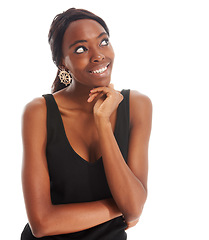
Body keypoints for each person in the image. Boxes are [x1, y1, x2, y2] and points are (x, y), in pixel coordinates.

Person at [20, 8, 152, 240]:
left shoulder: (137, 106)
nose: (98, 55)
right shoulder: (38, 112)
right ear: (63, 63)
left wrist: (102, 122)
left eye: (103, 42)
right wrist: (120, 207)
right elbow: (41, 223)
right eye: (80, 48)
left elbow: (135, 207)